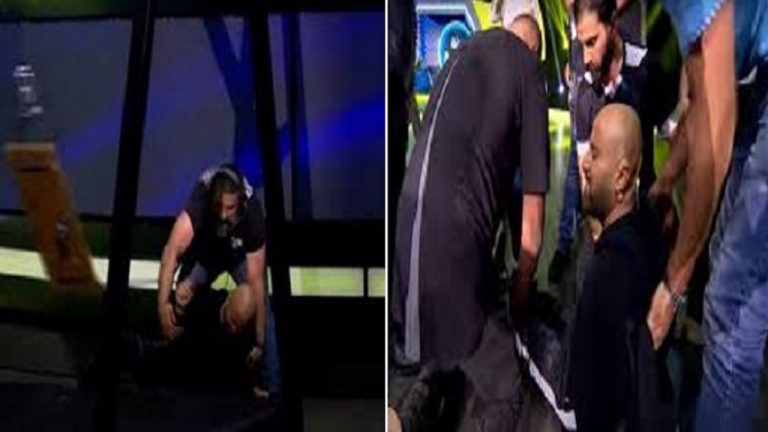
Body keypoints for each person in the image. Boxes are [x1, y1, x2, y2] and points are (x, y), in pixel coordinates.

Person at [389, 14, 549, 430]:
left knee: (432, 361)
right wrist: (521, 296)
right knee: (505, 389)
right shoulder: (528, 69)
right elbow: (532, 229)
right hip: (455, 246)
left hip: (406, 234)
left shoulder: (460, 57)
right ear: (533, 50)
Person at [644, 0, 768, 430]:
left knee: (732, 301)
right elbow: (702, 104)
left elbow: (715, 139)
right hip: (758, 84)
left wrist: (672, 289)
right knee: (719, 256)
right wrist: (667, 177)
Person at [568, 103, 674, 431]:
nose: (584, 162)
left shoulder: (605, 277)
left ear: (622, 176)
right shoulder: (648, 235)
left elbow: (590, 400)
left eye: (595, 153)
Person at [156, 163, 279, 399]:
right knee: (182, 296)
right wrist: (163, 306)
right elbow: (171, 251)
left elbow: (256, 281)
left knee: (260, 304)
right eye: (219, 207)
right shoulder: (201, 200)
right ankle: (173, 366)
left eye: (230, 208)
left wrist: (259, 342)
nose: (223, 215)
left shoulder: (252, 214)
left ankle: (270, 386)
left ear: (240, 204)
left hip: (238, 254)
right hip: (208, 253)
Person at [548, 0, 646, 285]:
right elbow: (583, 172)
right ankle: (565, 246)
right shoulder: (585, 93)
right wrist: (597, 231)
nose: (586, 56)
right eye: (582, 45)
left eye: (592, 42)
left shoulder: (645, 72)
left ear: (612, 25)